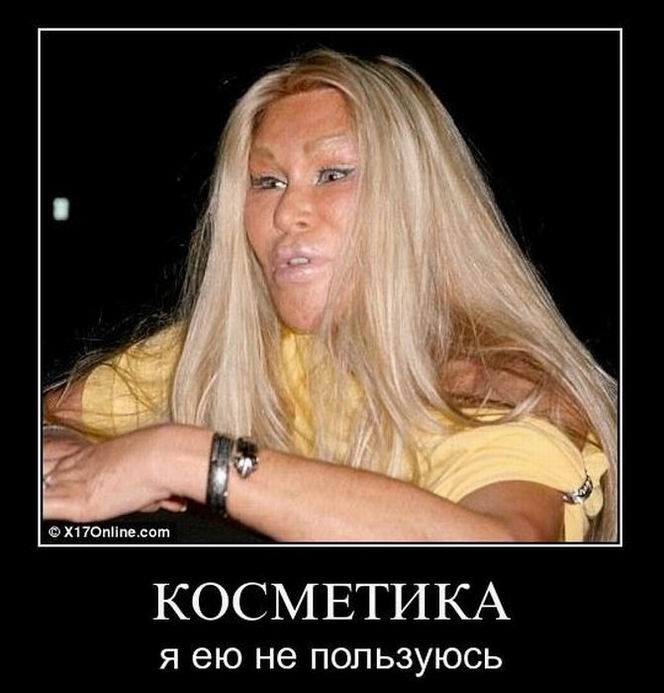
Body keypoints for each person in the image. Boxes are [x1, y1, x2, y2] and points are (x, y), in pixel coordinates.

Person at [42, 48, 617, 542]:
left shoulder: (491, 388)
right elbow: (54, 415)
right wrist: (71, 455)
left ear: (415, 200)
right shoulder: (243, 351)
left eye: (333, 173)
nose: (287, 212)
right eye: (267, 182)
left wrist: (183, 460)